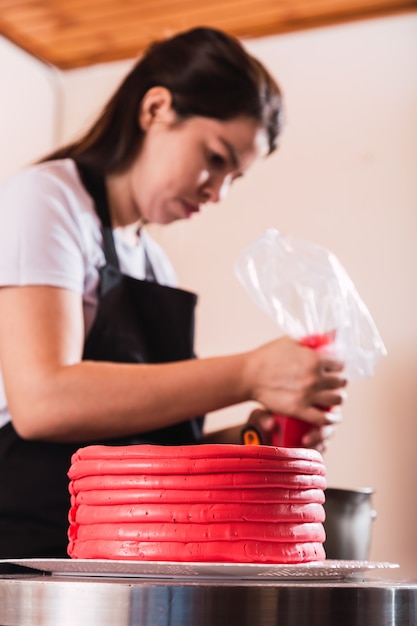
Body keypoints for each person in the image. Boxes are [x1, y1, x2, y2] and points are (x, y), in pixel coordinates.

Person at [0, 26, 347, 558]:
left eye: (235, 177)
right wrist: (250, 373)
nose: (217, 191)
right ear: (156, 108)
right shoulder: (46, 200)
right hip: (29, 549)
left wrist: (250, 438)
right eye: (215, 157)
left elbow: (148, 459)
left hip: (121, 556)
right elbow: (43, 401)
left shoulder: (153, 264)